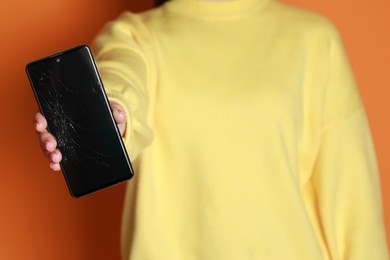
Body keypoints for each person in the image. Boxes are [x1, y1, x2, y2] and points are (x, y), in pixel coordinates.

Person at [34, 0, 389, 259]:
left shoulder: (313, 39)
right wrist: (113, 113)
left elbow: (353, 201)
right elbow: (122, 76)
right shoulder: (136, 35)